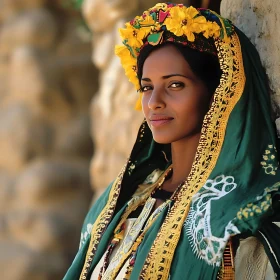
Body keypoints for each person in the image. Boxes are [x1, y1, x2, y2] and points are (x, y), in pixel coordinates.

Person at [64, 3, 280, 280]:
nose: (154, 103)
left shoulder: (243, 215)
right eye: (147, 87)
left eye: (175, 84)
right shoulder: (121, 201)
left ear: (220, 92)